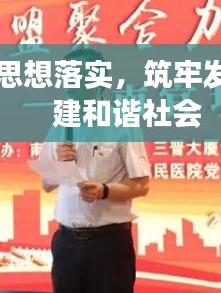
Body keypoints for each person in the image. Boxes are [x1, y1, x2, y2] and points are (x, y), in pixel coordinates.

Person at [39, 48, 151, 293]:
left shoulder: (122, 123)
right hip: (67, 244)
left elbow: (141, 185)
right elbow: (46, 184)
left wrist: (104, 191)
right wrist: (60, 166)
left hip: (108, 245)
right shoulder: (60, 124)